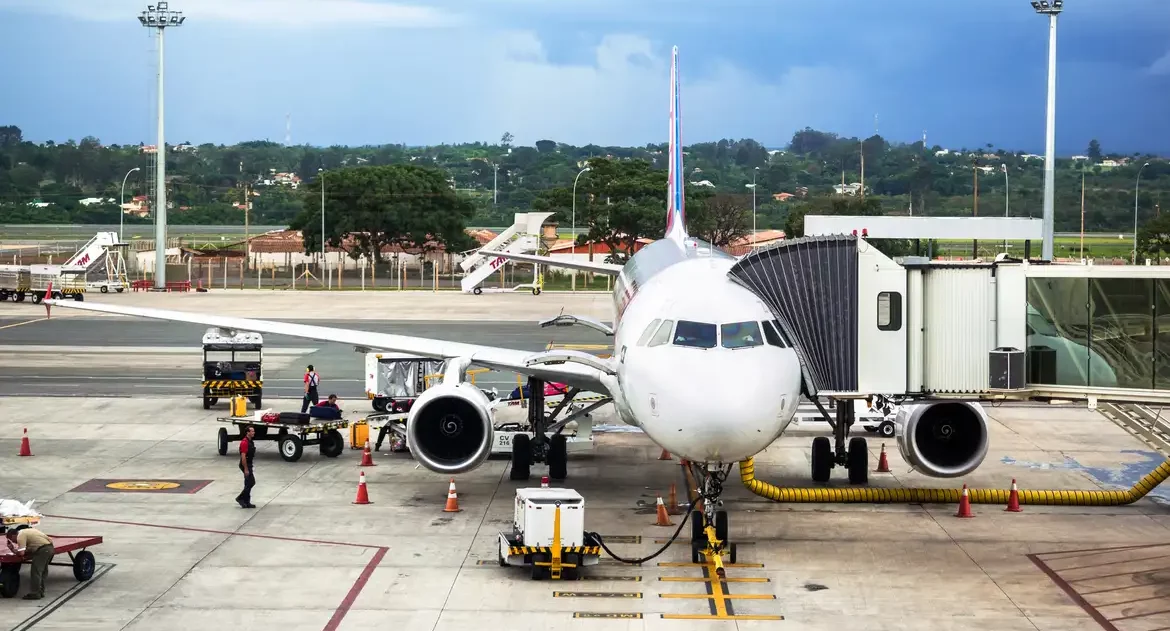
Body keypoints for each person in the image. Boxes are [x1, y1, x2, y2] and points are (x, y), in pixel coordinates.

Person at [5, 525, 54, 600]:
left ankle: (35, 593)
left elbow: (21, 553)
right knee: (43, 571)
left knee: (36, 572)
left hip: (42, 550)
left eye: (11, 539)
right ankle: (40, 591)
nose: (14, 542)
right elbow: (49, 539)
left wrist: (13, 550)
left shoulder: (20, 536)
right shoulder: (27, 531)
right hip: (49, 548)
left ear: (13, 535)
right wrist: (13, 549)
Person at [235, 425, 256, 509]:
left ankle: (246, 501)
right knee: (249, 483)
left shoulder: (250, 441)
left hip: (249, 464)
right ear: (248, 432)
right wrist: (246, 469)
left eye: (253, 431)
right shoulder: (244, 442)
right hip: (245, 464)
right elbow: (243, 457)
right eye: (252, 431)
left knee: (250, 483)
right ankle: (240, 498)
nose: (253, 432)